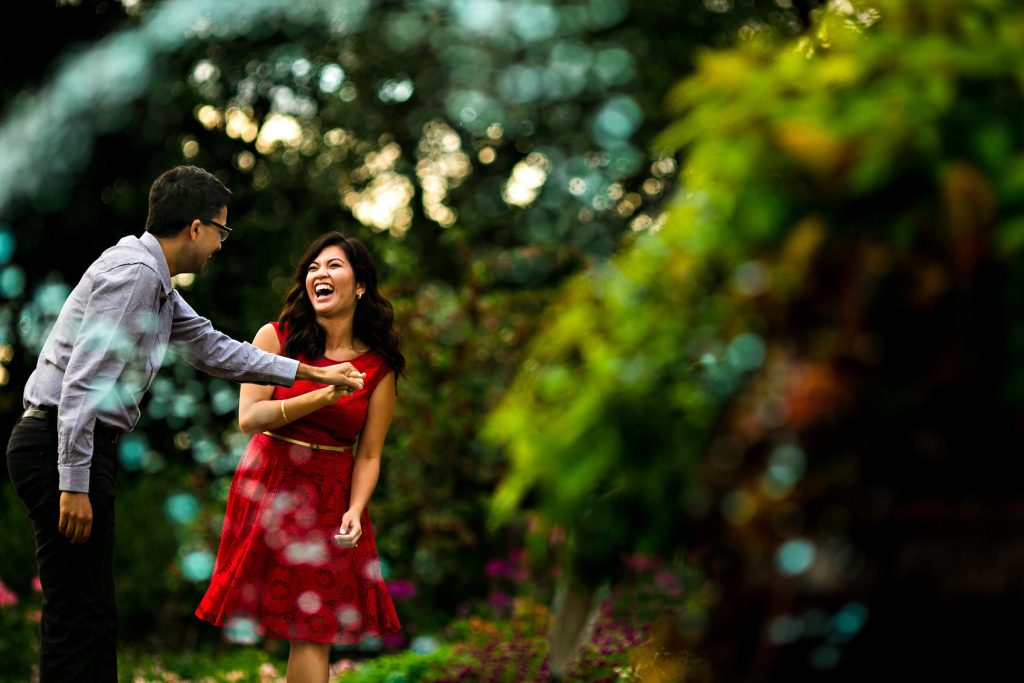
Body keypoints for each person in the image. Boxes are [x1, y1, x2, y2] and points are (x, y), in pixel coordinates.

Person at [4, 166, 365, 683]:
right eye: (221, 230)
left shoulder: (155, 283)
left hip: (70, 442)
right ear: (196, 228)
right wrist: (74, 481)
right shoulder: (136, 275)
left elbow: (213, 348)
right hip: (60, 443)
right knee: (78, 611)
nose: (220, 244)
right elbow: (83, 383)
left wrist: (310, 372)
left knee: (90, 609)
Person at [195, 230, 404, 682]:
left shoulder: (378, 366)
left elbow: (369, 454)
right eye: (313, 267)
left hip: (330, 496)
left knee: (314, 625)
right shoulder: (275, 337)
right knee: (293, 619)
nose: (319, 274)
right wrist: (323, 396)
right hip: (270, 483)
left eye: (333, 265)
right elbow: (250, 417)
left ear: (360, 285)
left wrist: (356, 509)